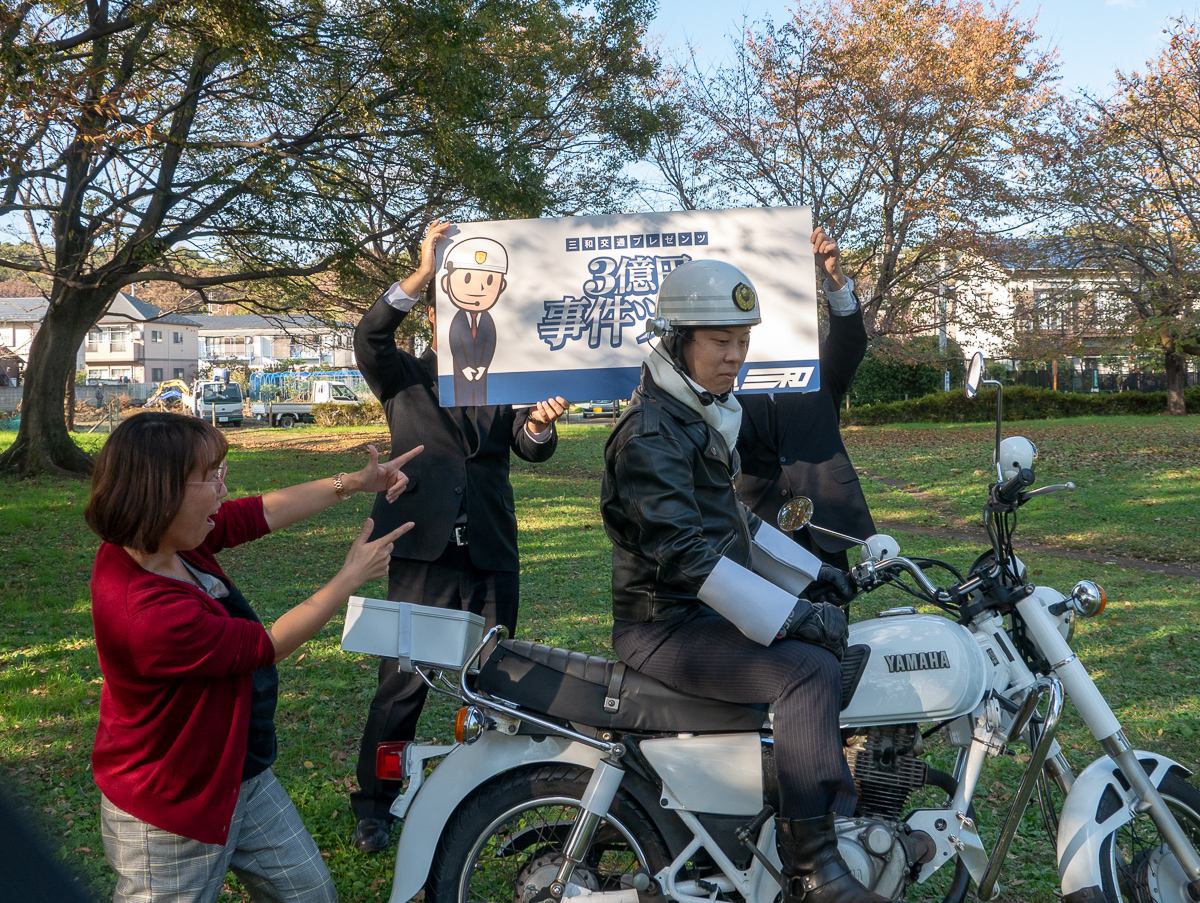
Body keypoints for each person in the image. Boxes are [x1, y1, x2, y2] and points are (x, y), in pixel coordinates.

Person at [601, 259, 899, 903]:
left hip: (692, 614)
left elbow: (732, 524)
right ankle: (814, 870)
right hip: (662, 624)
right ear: (677, 340)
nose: (735, 356)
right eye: (719, 341)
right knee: (804, 669)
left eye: (743, 341)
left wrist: (816, 574)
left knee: (830, 656)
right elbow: (686, 555)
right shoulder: (651, 433)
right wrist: (792, 618)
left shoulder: (693, 414)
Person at [85, 411, 420, 903]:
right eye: (212, 476)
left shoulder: (166, 543)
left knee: (308, 894)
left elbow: (260, 512)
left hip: (241, 772)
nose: (223, 491)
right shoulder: (147, 613)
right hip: (173, 806)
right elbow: (267, 646)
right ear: (163, 492)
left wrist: (354, 481)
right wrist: (349, 578)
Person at [351, 222, 567, 853]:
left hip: (491, 547)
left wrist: (540, 426)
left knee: (495, 675)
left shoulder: (512, 377)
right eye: (458, 292)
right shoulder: (405, 377)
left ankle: (492, 794)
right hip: (423, 547)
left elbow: (528, 450)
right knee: (403, 681)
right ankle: (375, 800)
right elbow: (370, 335)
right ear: (442, 309)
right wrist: (420, 273)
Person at [738, 227, 875, 575]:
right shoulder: (723, 378)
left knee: (831, 622)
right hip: (758, 529)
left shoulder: (816, 367)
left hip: (825, 526)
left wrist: (834, 277)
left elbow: (850, 341)